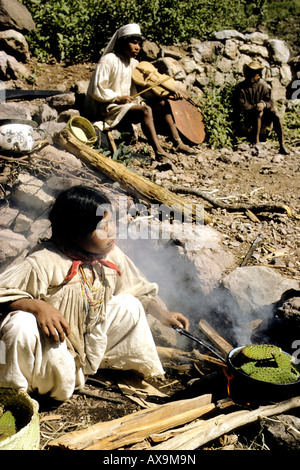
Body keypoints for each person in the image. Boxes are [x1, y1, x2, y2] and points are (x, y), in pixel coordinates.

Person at [0, 185, 189, 402]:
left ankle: (101, 367)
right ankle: (14, 395)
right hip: (55, 354)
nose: (112, 231)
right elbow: (3, 292)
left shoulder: (108, 255)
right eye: (103, 226)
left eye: (111, 223)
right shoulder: (43, 262)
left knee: (130, 304)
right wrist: (36, 306)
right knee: (20, 323)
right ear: (76, 232)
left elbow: (137, 290)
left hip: (92, 350)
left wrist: (163, 314)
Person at [84, 23, 194, 160]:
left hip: (128, 104)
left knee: (163, 104)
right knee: (145, 110)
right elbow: (96, 88)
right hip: (109, 106)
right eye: (133, 43)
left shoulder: (135, 64)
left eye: (139, 44)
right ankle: (159, 151)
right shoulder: (109, 60)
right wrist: (117, 98)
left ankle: (177, 142)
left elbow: (142, 90)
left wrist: (167, 92)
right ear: (123, 42)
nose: (137, 47)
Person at [236, 61, 288, 154]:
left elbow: (270, 103)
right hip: (248, 123)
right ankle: (256, 142)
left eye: (254, 74)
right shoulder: (241, 88)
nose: (251, 76)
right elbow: (242, 106)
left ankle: (282, 145)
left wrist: (263, 104)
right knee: (257, 112)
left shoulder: (263, 87)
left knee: (276, 114)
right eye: (249, 73)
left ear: (259, 75)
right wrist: (255, 107)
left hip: (263, 123)